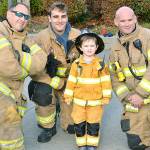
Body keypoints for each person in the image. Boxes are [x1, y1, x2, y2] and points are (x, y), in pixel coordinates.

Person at [28, 1, 81, 143]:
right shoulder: (40, 37)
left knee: (71, 127)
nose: (60, 20)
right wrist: (51, 80)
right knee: (42, 93)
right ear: (49, 18)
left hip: (69, 81)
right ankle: (48, 127)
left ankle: (65, 118)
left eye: (63, 16)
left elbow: (85, 61)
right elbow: (34, 69)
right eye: (56, 16)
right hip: (49, 80)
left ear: (67, 17)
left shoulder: (77, 35)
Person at [0, 2, 47, 150]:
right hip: (3, 92)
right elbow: (9, 68)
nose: (22, 19)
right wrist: (26, 68)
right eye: (18, 14)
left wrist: (17, 55)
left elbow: (41, 62)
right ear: (8, 14)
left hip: (14, 92)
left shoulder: (26, 38)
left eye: (26, 16)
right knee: (9, 125)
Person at [109, 6, 150, 150]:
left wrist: (140, 94)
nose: (127, 24)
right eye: (123, 20)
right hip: (134, 101)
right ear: (116, 22)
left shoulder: (147, 37)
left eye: (130, 19)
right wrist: (128, 97)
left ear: (135, 19)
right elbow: (114, 78)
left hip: (145, 95)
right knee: (135, 143)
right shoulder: (114, 48)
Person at [64, 33, 112, 150]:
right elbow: (71, 81)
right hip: (79, 103)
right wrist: (68, 96)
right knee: (79, 124)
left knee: (93, 125)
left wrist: (106, 97)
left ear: (96, 47)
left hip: (95, 103)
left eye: (92, 46)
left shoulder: (100, 64)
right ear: (80, 48)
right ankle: (81, 144)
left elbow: (106, 81)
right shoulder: (76, 64)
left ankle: (91, 145)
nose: (89, 48)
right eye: (86, 46)